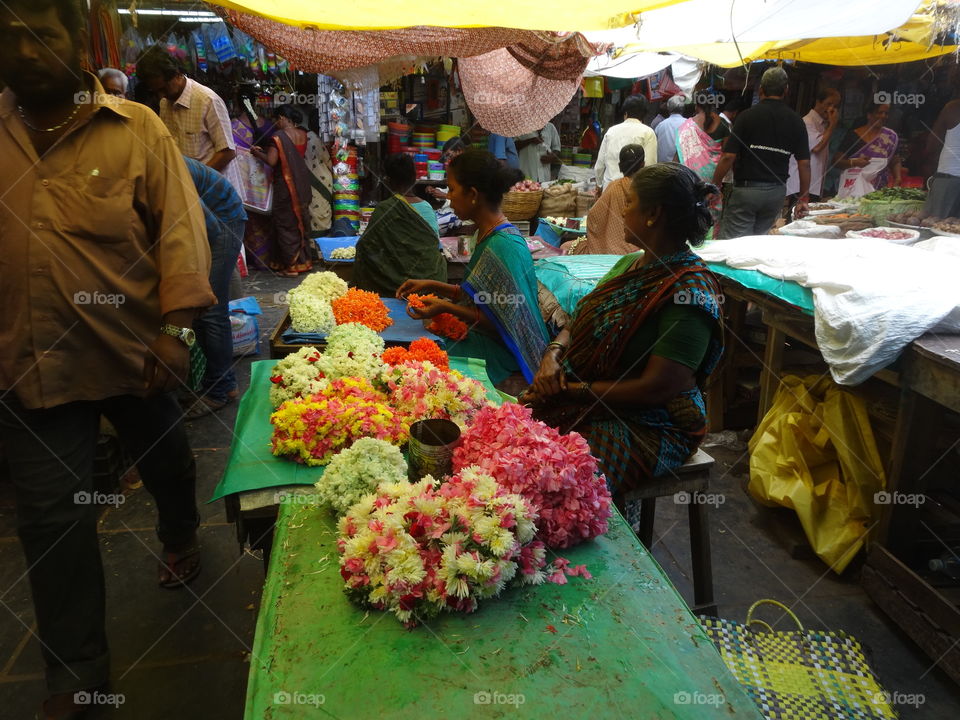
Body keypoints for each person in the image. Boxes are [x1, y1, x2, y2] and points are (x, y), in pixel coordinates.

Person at [0, 1, 217, 717]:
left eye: (42, 33)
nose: (25, 49)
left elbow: (183, 231)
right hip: (32, 368)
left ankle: (180, 533)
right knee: (52, 524)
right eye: (9, 34)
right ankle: (76, 681)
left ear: (81, 42)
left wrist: (176, 332)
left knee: (166, 464)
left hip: (133, 352)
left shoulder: (136, 130)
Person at [520, 163, 724, 527]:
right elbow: (579, 319)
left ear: (653, 215)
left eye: (629, 203)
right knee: (516, 445)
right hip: (587, 394)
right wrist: (553, 355)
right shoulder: (630, 264)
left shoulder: (688, 293)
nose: (622, 211)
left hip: (653, 422)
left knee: (559, 483)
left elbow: (655, 389)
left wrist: (572, 389)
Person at [398, 150, 549, 386]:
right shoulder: (486, 233)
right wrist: (431, 285)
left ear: (473, 195)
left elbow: (503, 321)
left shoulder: (503, 245)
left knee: (420, 364)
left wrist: (445, 307)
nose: (449, 197)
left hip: (503, 353)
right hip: (485, 337)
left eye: (453, 189)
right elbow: (480, 297)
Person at [182, 157, 247, 417]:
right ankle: (218, 382)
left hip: (222, 221)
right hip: (206, 221)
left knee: (209, 307)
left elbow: (209, 228)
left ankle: (220, 389)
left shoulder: (160, 169)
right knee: (202, 307)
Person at [713, 67, 811, 237]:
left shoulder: (746, 117)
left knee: (736, 245)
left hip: (746, 191)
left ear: (761, 89)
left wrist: (715, 184)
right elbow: (805, 163)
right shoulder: (796, 121)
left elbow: (728, 156)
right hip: (776, 193)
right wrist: (803, 198)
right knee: (759, 243)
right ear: (786, 90)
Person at [136, 45, 237, 176]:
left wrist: (198, 181)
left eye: (164, 89)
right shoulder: (165, 103)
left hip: (214, 190)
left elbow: (227, 152)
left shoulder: (207, 101)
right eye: (155, 91)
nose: (161, 96)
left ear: (177, 75)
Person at [353, 154, 446, 296]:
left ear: (389, 181)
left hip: (392, 285)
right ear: (414, 178)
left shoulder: (384, 209)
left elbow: (365, 247)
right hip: (429, 280)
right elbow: (435, 244)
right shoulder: (427, 207)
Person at [250, 105, 314, 276]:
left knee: (286, 224)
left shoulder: (278, 137)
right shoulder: (302, 134)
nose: (275, 123)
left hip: (286, 186)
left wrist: (257, 154)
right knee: (300, 222)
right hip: (301, 182)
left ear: (282, 118)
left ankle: (292, 267)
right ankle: (303, 262)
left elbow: (272, 161)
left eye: (276, 119)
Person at [569, 144, 645, 255]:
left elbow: (594, 216)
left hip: (609, 248)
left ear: (620, 166)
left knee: (566, 246)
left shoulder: (614, 186)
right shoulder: (646, 189)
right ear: (643, 164)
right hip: (639, 250)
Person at [786, 88, 841, 214]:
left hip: (813, 184)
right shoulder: (808, 122)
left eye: (835, 106)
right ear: (818, 102)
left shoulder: (822, 125)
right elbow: (817, 148)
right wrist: (833, 125)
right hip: (802, 184)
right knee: (797, 218)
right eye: (828, 104)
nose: (831, 109)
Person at [677, 104, 727, 236]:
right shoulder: (723, 125)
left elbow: (677, 159)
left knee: (689, 226)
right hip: (714, 184)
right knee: (711, 225)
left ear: (696, 106)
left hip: (689, 186)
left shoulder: (685, 128)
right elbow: (727, 156)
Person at [834, 101, 902, 191]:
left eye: (886, 113)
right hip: (854, 189)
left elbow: (895, 160)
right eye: (879, 112)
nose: (883, 116)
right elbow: (836, 162)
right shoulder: (854, 135)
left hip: (879, 191)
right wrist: (854, 163)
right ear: (869, 115)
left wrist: (897, 178)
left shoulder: (890, 136)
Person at [594, 95, 659, 189]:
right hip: (633, 191)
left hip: (609, 189)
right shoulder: (648, 133)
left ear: (625, 113)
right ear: (644, 114)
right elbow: (649, 167)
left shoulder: (611, 131)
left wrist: (599, 185)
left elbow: (599, 165)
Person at [924, 93, 960, 218]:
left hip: (947, 181)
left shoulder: (952, 108)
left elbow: (932, 146)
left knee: (937, 230)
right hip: (948, 179)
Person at [654, 95, 687, 163]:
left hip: (664, 167)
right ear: (683, 109)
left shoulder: (661, 125)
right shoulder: (689, 124)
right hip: (684, 168)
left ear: (668, 109)